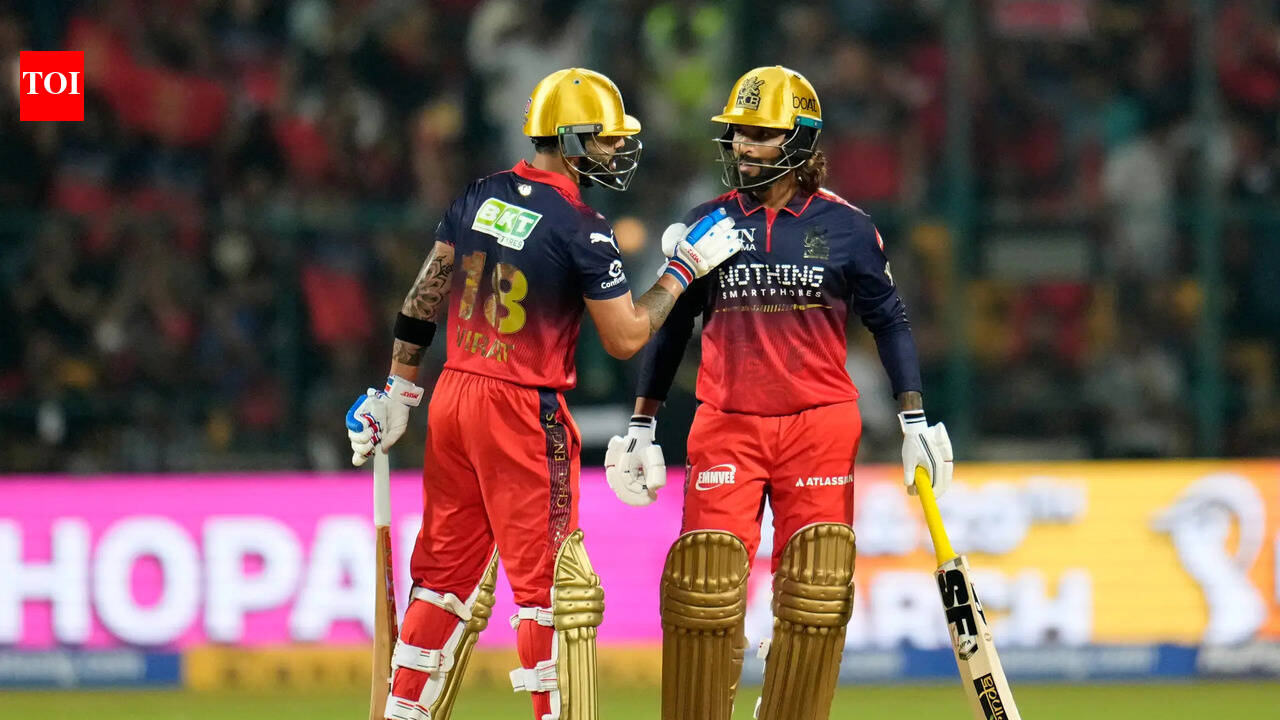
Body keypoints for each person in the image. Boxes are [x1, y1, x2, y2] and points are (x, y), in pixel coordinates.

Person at [345, 68, 741, 720]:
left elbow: (422, 299)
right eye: (606, 139)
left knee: (442, 578)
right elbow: (626, 337)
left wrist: (397, 391)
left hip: (454, 397)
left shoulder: (478, 195)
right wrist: (681, 272)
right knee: (549, 590)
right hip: (522, 409)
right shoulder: (582, 227)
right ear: (572, 137)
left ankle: (403, 710)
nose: (616, 151)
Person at [604, 66, 954, 720]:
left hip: (818, 426)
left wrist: (914, 420)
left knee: (818, 591)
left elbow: (890, 320)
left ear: (800, 140)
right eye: (738, 132)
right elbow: (673, 327)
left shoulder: (848, 228)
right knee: (704, 584)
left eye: (761, 133)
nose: (743, 144)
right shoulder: (706, 224)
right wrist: (643, 423)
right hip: (727, 424)